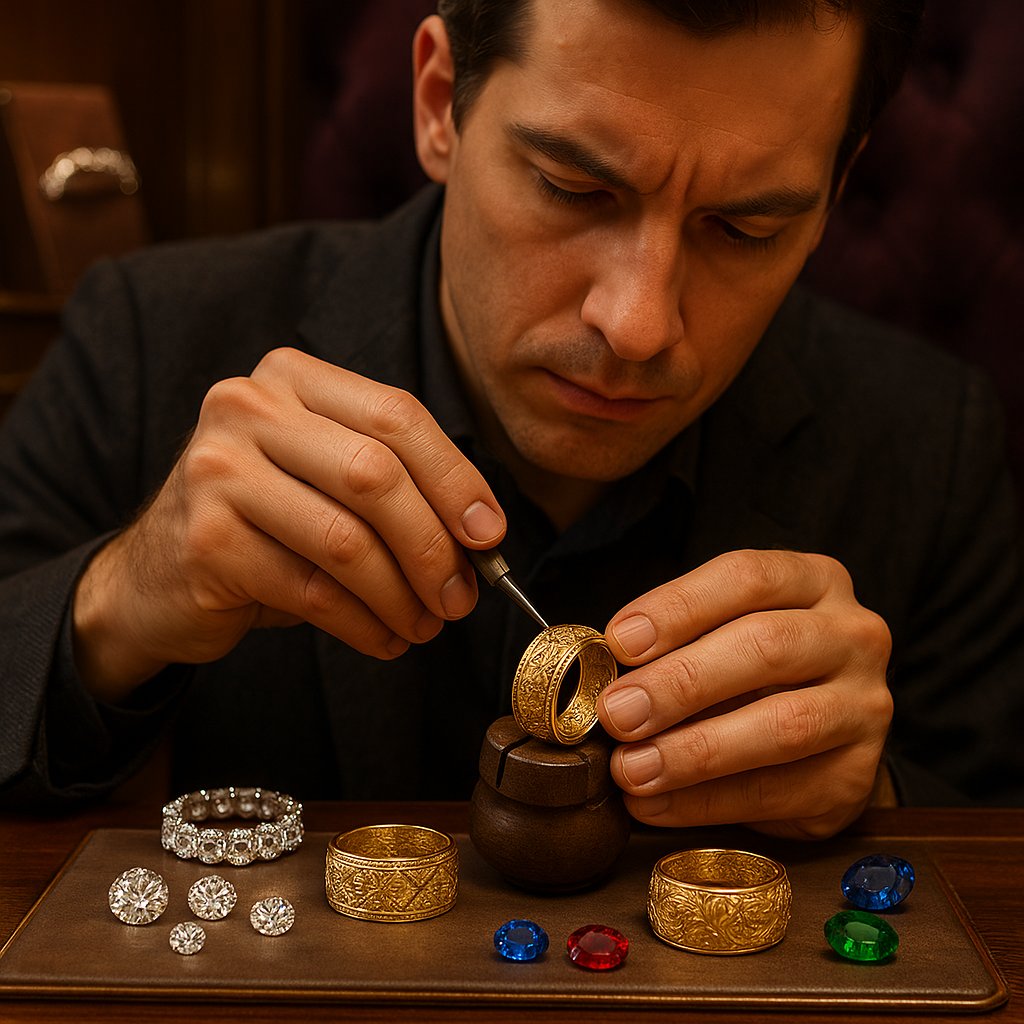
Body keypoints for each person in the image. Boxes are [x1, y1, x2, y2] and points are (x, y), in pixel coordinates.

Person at [2, 0, 1022, 836]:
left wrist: (875, 795)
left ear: (835, 192)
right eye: (574, 187)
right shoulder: (147, 340)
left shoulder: (930, 444)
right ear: (441, 103)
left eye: (744, 229)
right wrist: (119, 600)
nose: (635, 324)